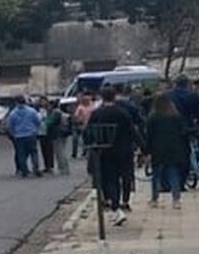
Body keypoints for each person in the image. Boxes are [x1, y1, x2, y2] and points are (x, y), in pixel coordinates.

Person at [85, 84, 139, 225]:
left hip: (105, 151)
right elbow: (132, 131)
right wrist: (143, 147)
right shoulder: (122, 112)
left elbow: (88, 131)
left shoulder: (97, 113)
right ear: (115, 97)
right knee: (124, 176)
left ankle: (115, 207)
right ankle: (123, 202)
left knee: (111, 180)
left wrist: (90, 145)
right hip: (123, 150)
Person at [145, 94, 187, 209]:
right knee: (173, 174)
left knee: (156, 175)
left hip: (157, 149)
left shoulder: (152, 117)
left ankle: (154, 199)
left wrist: (146, 151)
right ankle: (176, 200)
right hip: (174, 149)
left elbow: (148, 136)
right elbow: (183, 132)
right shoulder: (176, 116)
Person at [5, 96, 43, 177]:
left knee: (21, 153)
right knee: (33, 152)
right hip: (31, 134)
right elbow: (38, 121)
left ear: (16, 103)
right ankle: (36, 168)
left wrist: (13, 133)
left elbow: (9, 126)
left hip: (19, 136)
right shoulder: (31, 111)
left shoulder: (13, 113)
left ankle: (24, 170)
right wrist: (35, 130)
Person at [71, 92, 96, 159]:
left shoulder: (92, 106)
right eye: (85, 100)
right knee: (76, 139)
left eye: (87, 100)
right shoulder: (80, 106)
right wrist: (78, 119)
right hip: (79, 124)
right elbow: (76, 116)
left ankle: (85, 153)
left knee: (86, 139)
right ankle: (74, 153)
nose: (86, 101)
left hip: (89, 125)